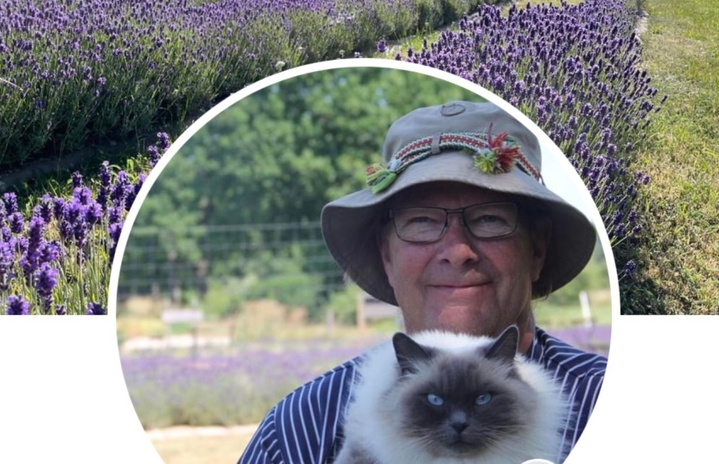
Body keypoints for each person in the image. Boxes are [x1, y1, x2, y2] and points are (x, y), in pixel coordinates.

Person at [238, 99, 607, 464]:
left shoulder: (612, 404)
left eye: (489, 219)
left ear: (537, 248)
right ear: (386, 254)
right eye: (422, 222)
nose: (457, 251)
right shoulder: (295, 433)